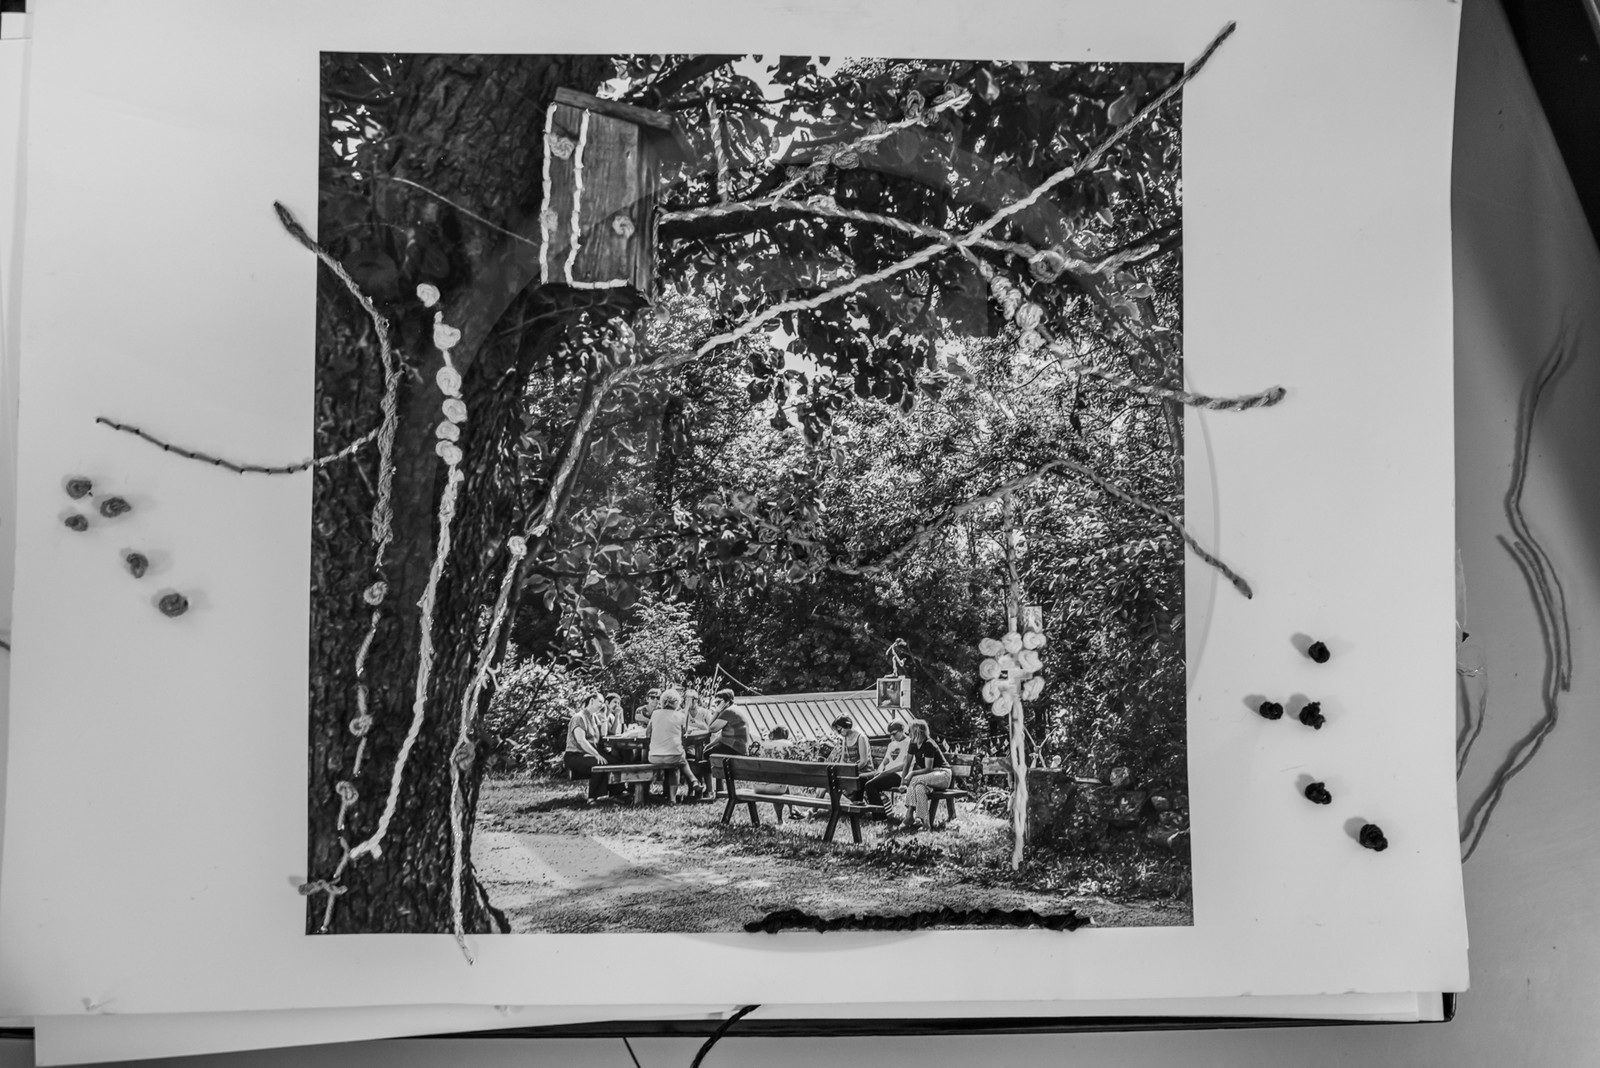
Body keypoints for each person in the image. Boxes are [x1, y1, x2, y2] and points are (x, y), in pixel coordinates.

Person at [647, 688, 703, 800]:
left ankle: (647, 793)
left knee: (676, 762)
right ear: (677, 702)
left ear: (662, 701)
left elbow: (648, 733)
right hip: (673, 756)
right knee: (680, 760)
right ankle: (677, 795)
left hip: (654, 757)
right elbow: (684, 733)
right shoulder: (680, 716)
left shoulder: (655, 714)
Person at [900, 718, 952, 832]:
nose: (908, 733)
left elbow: (928, 768)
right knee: (919, 788)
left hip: (943, 775)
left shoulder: (929, 744)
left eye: (910, 730)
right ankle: (926, 823)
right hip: (928, 777)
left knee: (914, 779)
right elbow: (907, 762)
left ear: (917, 731)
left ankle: (909, 815)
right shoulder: (913, 743)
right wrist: (902, 782)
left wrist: (912, 773)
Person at [562, 693, 609, 802]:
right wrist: (596, 754)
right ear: (592, 701)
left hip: (588, 754)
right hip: (575, 756)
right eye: (600, 702)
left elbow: (604, 734)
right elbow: (581, 741)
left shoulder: (594, 717)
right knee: (600, 763)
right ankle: (593, 798)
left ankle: (617, 793)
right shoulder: (579, 718)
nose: (602, 705)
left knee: (615, 760)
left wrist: (604, 717)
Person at [704, 688, 750, 797]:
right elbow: (723, 735)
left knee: (707, 756)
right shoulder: (732, 710)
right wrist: (709, 745)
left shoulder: (729, 712)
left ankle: (710, 790)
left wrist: (717, 711)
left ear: (727, 702)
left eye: (719, 702)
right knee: (709, 752)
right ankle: (718, 789)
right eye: (716, 702)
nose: (717, 705)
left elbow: (711, 728)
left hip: (735, 748)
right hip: (736, 746)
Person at [862, 719, 911, 811]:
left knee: (870, 785)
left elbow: (905, 765)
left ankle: (879, 815)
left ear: (902, 731)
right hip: (887, 773)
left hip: (899, 775)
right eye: (890, 734)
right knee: (861, 779)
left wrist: (885, 772)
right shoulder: (892, 745)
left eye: (894, 734)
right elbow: (885, 761)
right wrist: (879, 771)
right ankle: (859, 810)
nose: (892, 737)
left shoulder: (909, 743)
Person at [828, 714, 872, 801]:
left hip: (863, 771)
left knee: (849, 781)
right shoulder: (845, 738)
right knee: (830, 780)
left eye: (840, 730)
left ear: (847, 725)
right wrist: (841, 770)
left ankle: (847, 806)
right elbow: (843, 760)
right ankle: (812, 810)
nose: (839, 733)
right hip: (850, 771)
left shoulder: (861, 737)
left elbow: (863, 761)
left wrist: (850, 771)